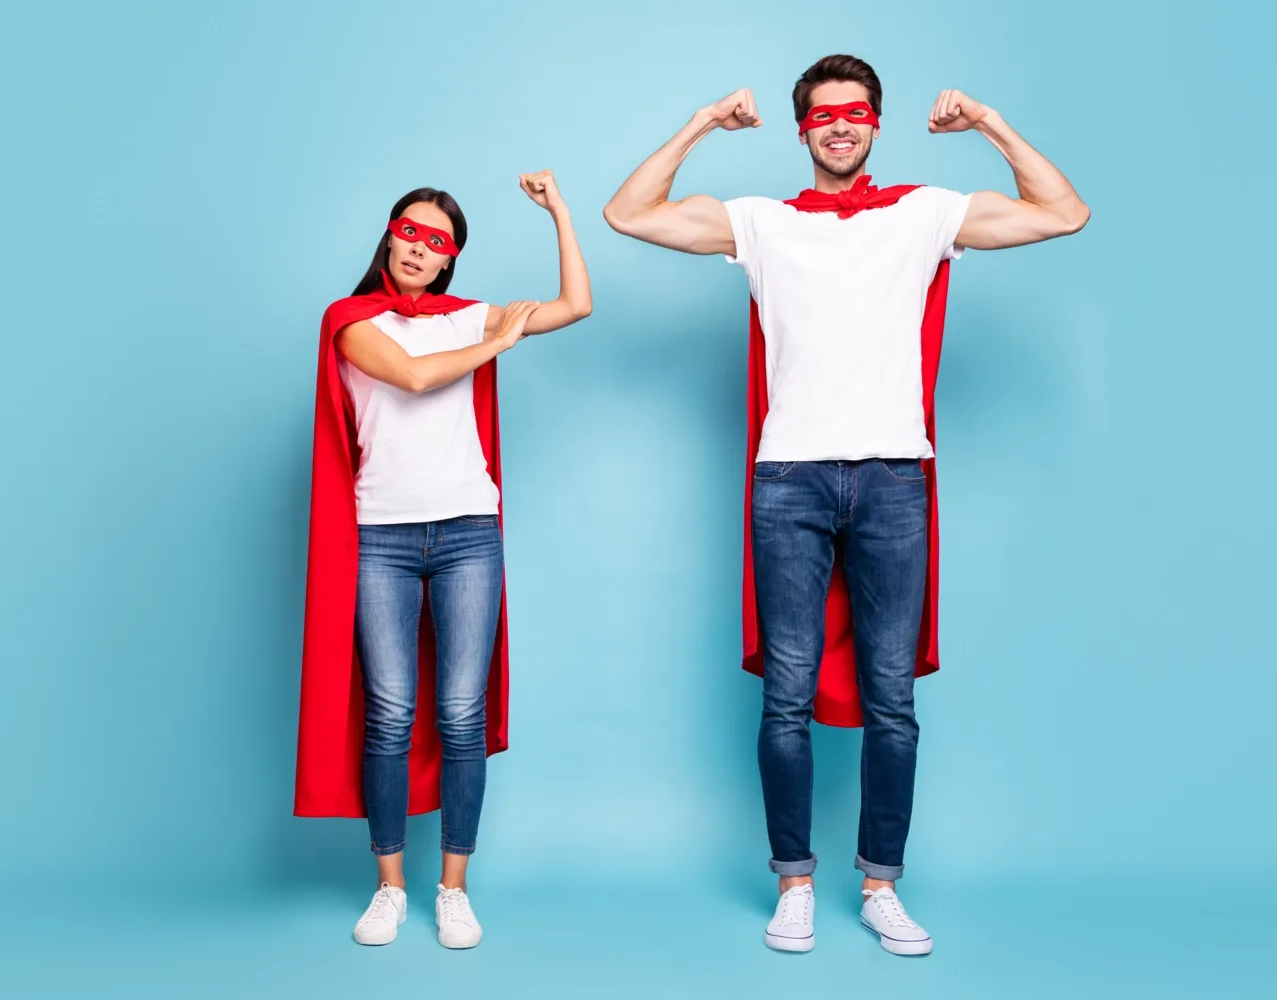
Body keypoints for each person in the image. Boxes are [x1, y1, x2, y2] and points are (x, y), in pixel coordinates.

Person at [603, 54, 1087, 955]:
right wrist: (705, 121)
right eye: (824, 113)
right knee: (786, 698)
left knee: (891, 699)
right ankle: (793, 882)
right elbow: (628, 212)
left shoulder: (925, 211)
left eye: (856, 112)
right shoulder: (762, 222)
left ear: (874, 124)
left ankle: (880, 885)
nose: (841, 124)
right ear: (803, 130)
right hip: (789, 478)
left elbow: (1065, 211)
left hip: (896, 477)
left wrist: (986, 121)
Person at [294, 172, 591, 950]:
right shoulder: (351, 320)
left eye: (437, 240)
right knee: (390, 712)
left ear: (452, 256)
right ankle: (389, 888)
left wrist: (560, 212)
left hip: (466, 530)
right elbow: (417, 376)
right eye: (409, 232)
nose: (419, 248)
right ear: (389, 235)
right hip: (382, 538)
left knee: (461, 713)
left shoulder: (466, 315)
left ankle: (452, 888)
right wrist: (497, 344)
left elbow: (575, 305)